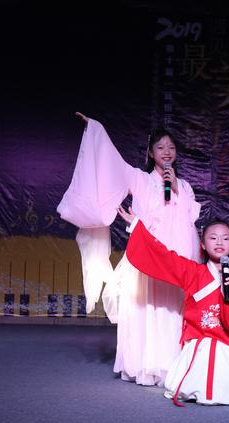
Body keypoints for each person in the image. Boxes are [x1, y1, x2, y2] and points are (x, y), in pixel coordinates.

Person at [57, 113, 200, 386]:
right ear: (151, 152)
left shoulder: (183, 186)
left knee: (171, 306)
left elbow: (189, 216)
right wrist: (95, 130)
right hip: (148, 252)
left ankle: (173, 363)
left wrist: (174, 188)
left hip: (176, 254)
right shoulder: (140, 179)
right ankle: (145, 364)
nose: (167, 152)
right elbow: (112, 166)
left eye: (171, 147)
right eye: (160, 147)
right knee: (145, 304)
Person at [116, 206, 229, 405]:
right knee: (203, 361)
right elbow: (164, 257)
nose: (219, 242)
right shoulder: (193, 273)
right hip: (199, 341)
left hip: (228, 343)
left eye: (225, 238)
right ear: (202, 244)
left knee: (226, 375)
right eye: (213, 238)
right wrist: (136, 225)